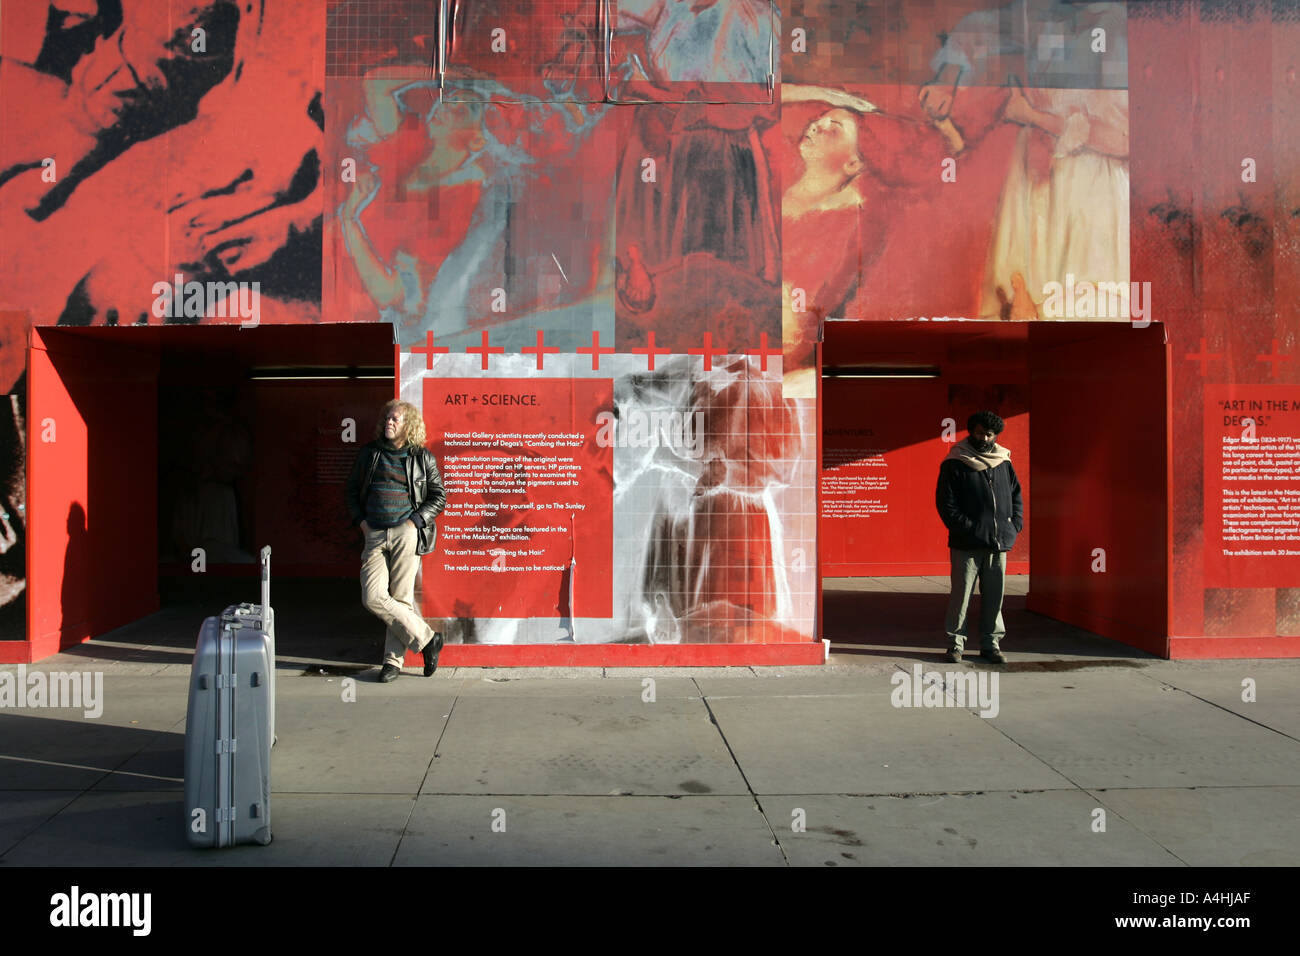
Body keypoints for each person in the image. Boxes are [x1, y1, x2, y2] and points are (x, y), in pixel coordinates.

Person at [345, 400, 447, 682]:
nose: (389, 422)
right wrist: (362, 524)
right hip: (374, 533)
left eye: (396, 419)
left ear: (408, 425)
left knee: (401, 599)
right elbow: (352, 492)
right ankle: (427, 640)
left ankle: (393, 663)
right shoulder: (370, 454)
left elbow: (438, 495)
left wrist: (414, 522)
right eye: (387, 418)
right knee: (373, 596)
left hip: (406, 532)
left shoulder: (421, 457)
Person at [934, 411, 1023, 664]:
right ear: (971, 431)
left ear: (996, 435)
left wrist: (1014, 525)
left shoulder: (1003, 461)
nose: (984, 437)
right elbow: (946, 504)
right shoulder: (955, 462)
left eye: (990, 434)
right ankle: (955, 645)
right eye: (980, 432)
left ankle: (991, 644)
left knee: (995, 596)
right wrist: (969, 528)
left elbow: (1016, 495)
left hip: (998, 543)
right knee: (961, 596)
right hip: (967, 544)